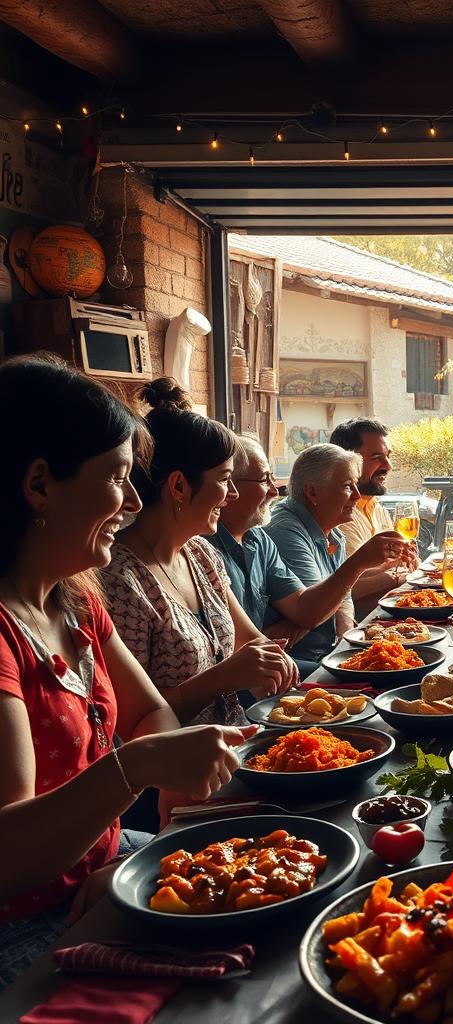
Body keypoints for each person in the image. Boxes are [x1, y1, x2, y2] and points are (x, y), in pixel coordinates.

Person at [0, 359, 252, 989]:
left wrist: (155, 819)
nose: (133, 502)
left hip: (108, 866)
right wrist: (138, 769)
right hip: (23, 926)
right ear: (39, 485)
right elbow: (10, 855)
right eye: (117, 479)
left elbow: (149, 714)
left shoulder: (76, 600)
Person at [103, 378, 297, 729]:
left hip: (236, 743)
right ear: (179, 486)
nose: (233, 494)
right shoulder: (119, 582)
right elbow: (134, 725)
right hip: (179, 776)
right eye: (224, 479)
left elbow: (247, 637)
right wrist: (225, 676)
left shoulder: (200, 553)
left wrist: (271, 659)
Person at [212, 435, 405, 677]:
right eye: (265, 480)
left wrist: (338, 631)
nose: (274, 490)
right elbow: (313, 610)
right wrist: (361, 564)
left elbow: (311, 607)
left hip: (283, 663)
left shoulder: (258, 539)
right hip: (277, 667)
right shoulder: (276, 530)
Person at [265, 443, 412, 667]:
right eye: (347, 486)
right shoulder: (286, 530)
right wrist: (360, 561)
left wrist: (346, 639)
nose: (356, 494)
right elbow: (314, 610)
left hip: (324, 651)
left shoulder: (331, 529)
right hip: (294, 659)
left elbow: (341, 595)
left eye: (356, 484)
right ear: (312, 492)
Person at [329, 418, 416, 618]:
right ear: (348, 462)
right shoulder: (339, 515)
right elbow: (349, 590)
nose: (388, 466)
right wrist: (399, 575)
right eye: (377, 458)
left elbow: (402, 564)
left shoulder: (377, 508)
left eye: (388, 457)